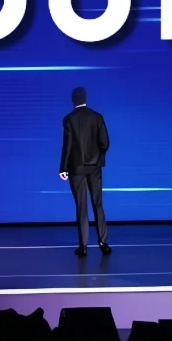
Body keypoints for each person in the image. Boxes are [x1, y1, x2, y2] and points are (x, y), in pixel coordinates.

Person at [59, 86, 111, 256]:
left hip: (76, 168)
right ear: (85, 99)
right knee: (98, 204)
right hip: (94, 167)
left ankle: (83, 246)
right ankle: (103, 242)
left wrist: (63, 168)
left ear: (73, 100)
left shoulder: (69, 119)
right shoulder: (97, 117)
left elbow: (67, 146)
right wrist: (97, 159)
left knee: (81, 207)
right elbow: (105, 143)